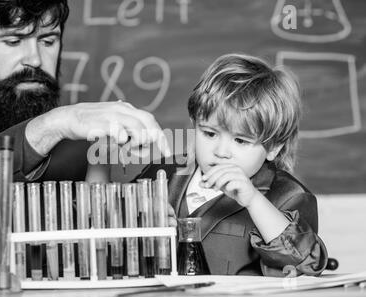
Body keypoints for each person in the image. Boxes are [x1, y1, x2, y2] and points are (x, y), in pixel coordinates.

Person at [0, 0, 170, 282]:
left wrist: (140, 222)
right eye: (13, 41)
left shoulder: (85, 142)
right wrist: (53, 124)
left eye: (48, 40)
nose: (34, 59)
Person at [135, 53, 328, 276]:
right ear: (194, 124)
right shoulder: (160, 175)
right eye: (209, 133)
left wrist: (254, 201)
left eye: (240, 140)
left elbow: (307, 263)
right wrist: (142, 221)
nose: (221, 152)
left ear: (273, 147)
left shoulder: (290, 195)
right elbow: (106, 236)